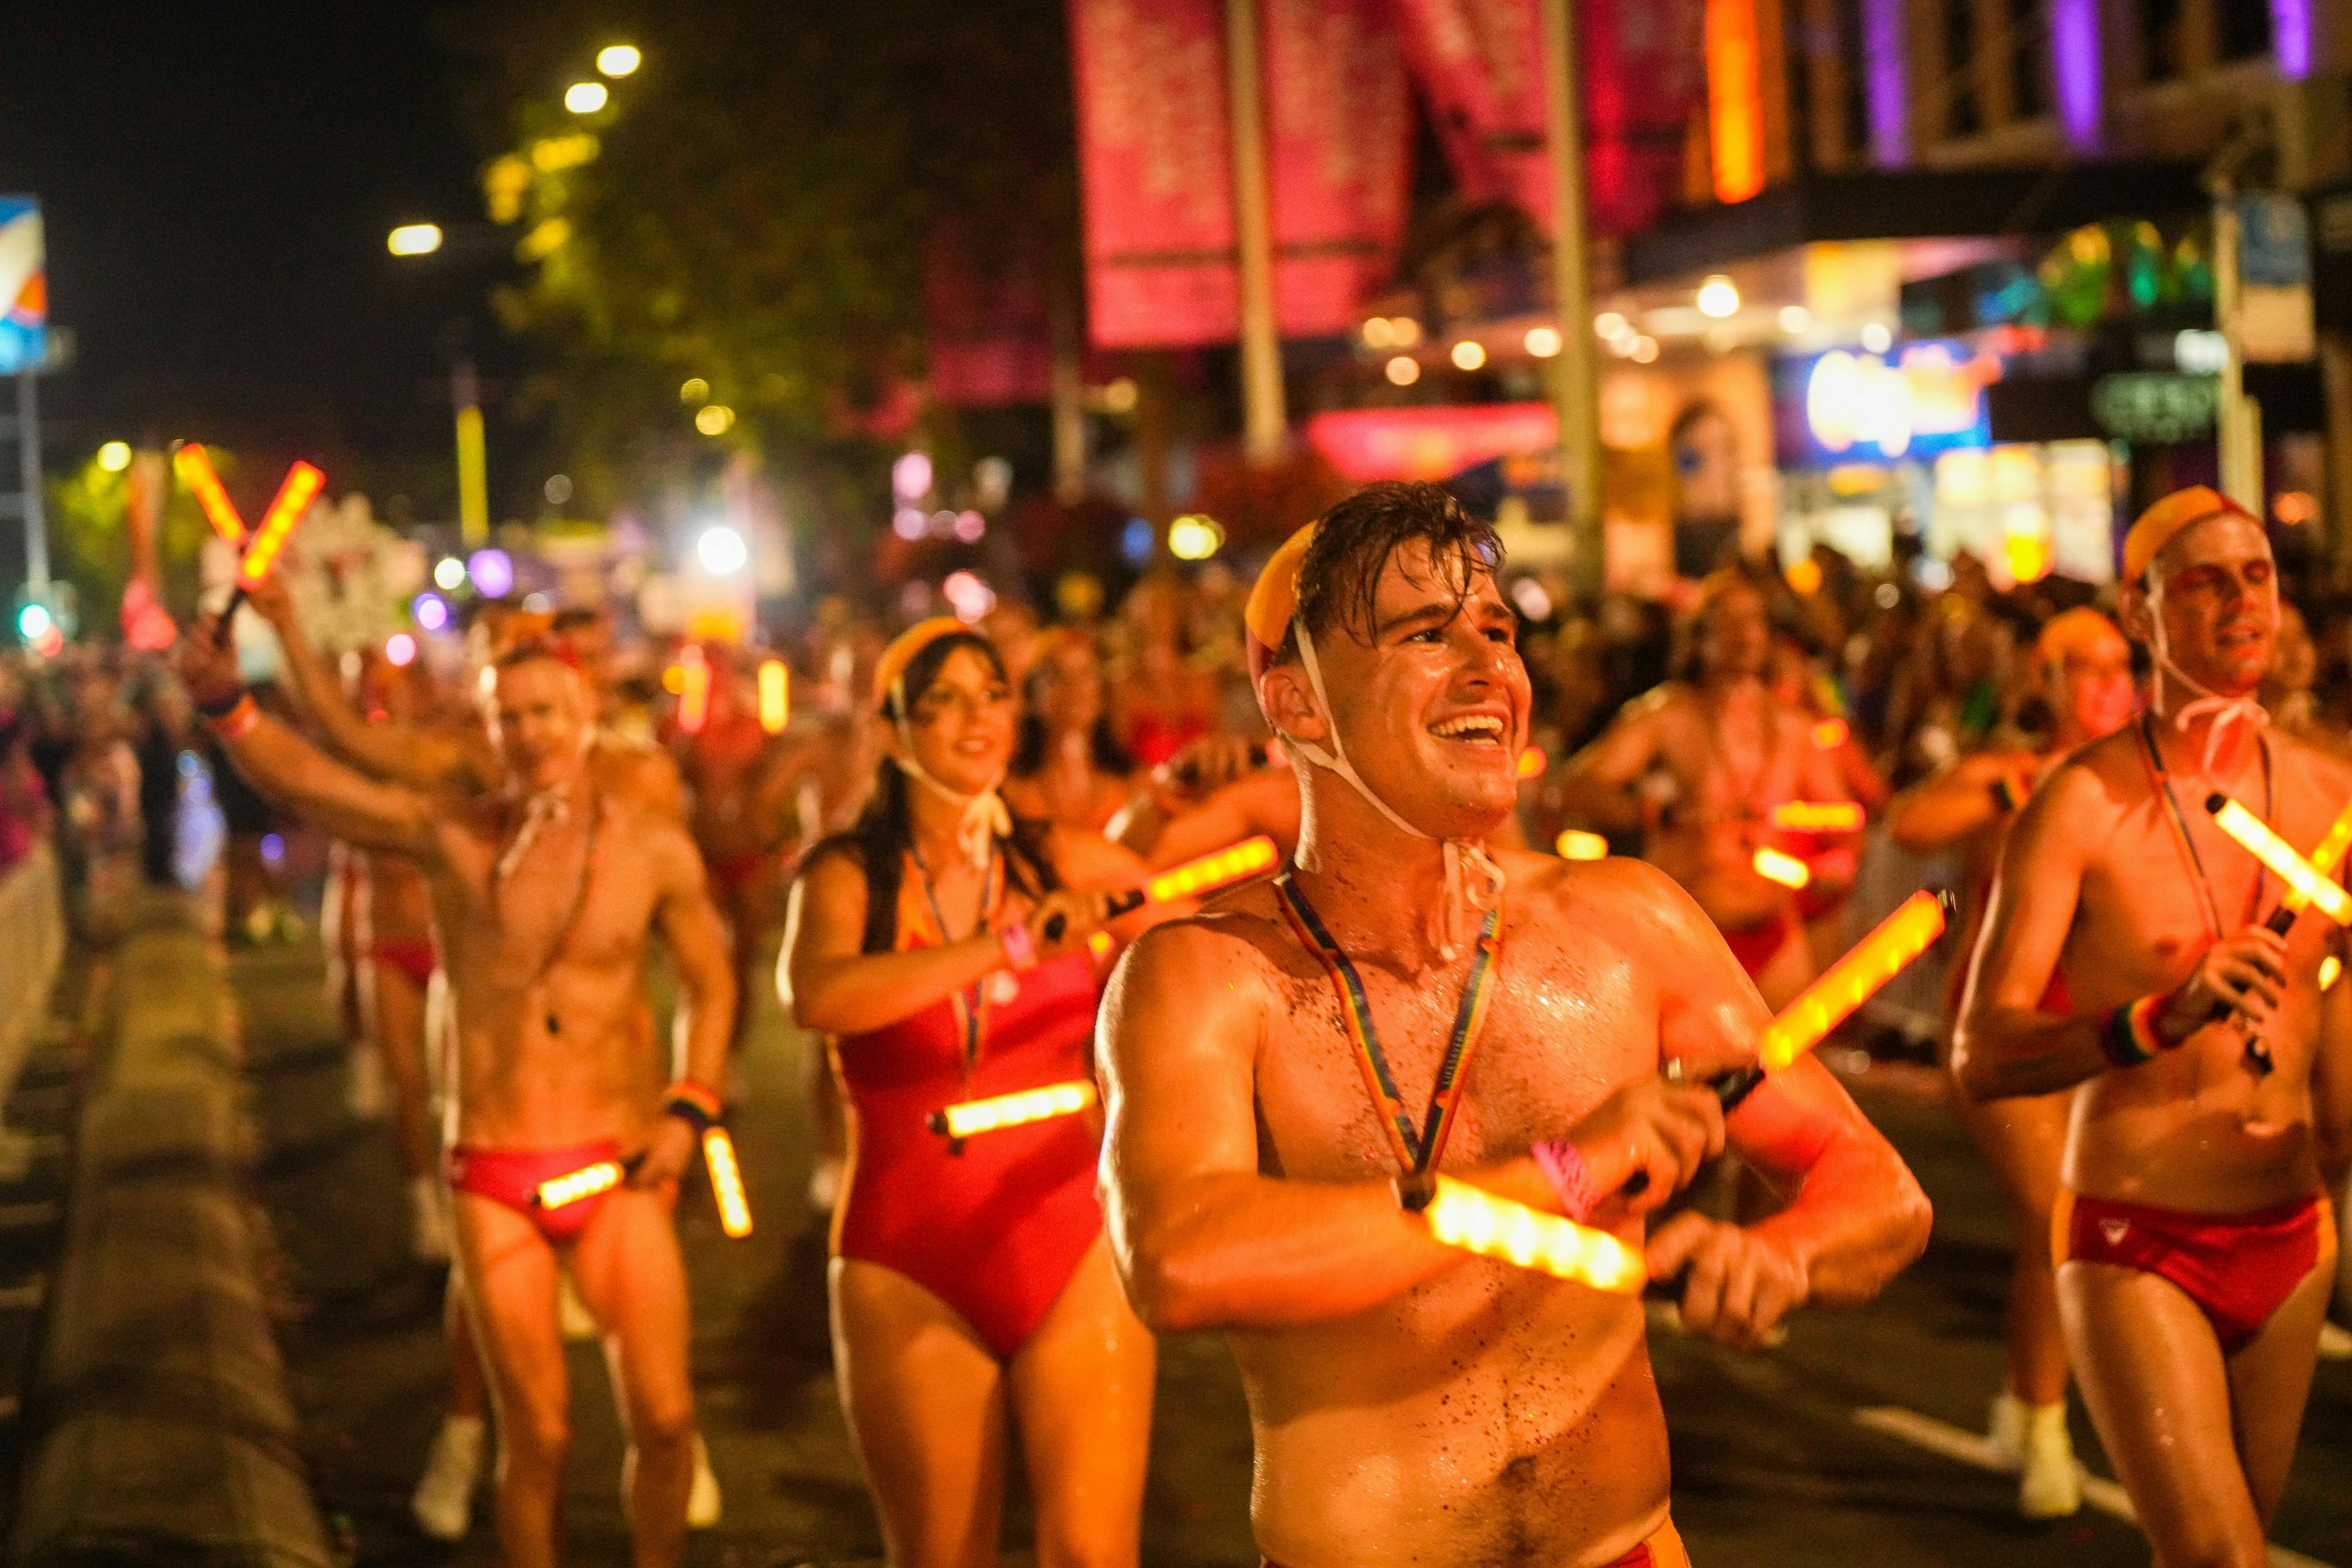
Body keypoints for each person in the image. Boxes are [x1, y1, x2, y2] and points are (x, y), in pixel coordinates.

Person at [1098, 485, 1931, 1568]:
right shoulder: (1207, 974)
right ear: (1301, 706)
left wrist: (1780, 1255)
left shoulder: (1627, 922)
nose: (1489, 666)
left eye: (1497, 630)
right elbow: (1179, 1260)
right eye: (1426, 635)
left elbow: (1876, 1188)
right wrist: (1565, 1176)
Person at [179, 617, 736, 1568]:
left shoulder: (648, 841)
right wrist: (229, 704)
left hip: (617, 1160)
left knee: (671, 1421)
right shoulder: (451, 836)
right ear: (487, 730)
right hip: (494, 1169)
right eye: (510, 716)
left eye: (548, 712)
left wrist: (690, 1105)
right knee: (542, 1439)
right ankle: (467, 1454)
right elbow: (317, 782)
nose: (532, 733)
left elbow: (711, 982)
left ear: (587, 712)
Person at [1954, 487, 2352, 1568]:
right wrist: (2148, 1021)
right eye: (2205, 580)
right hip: (2140, 1240)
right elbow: (1981, 1053)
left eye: (2259, 575)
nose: (2242, 601)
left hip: (2294, 1234)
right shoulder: (2081, 804)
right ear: (2142, 614)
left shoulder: (2329, 795)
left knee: (2240, 1552)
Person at [781, 618, 1158, 1568]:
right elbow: (818, 995)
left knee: (1092, 1554)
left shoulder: (1056, 858)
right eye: (942, 699)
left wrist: (1206, 797)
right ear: (895, 729)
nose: (975, 717)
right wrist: (1007, 947)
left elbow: (1196, 916)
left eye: (991, 693)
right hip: (905, 1258)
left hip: (1066, 1234)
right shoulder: (847, 874)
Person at [1885, 605, 2136, 1518]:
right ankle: (2045, 1425)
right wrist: (2019, 789)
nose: (2112, 684)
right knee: (2055, 1216)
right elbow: (1912, 822)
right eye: (2090, 667)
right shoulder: (2010, 773)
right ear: (2049, 679)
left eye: (2124, 666)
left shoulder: (2145, 776)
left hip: (2100, 1030)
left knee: (2076, 1231)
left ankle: (2027, 1408)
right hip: (1999, 1032)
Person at [1556, 573, 1858, 1009]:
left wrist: (1835, 868)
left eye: (1754, 620)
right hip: (1687, 931)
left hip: (1774, 927)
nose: (1744, 634)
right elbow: (1576, 787)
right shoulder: (1667, 714)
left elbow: (1846, 821)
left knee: (1788, 1067)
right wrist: (1659, 813)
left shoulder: (1795, 726)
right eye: (1729, 621)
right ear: (1699, 638)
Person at [1003, 628, 1139, 834]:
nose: (1075, 688)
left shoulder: (1130, 781)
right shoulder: (1013, 788)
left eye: (1086, 674)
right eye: (1058, 675)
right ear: (1033, 692)